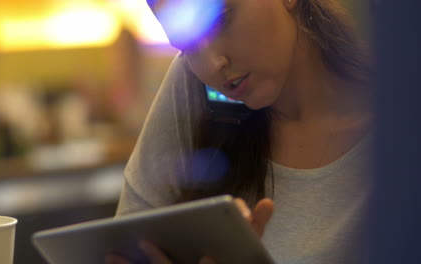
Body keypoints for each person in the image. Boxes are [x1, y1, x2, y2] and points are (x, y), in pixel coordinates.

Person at [107, 0, 373, 263]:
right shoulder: (195, 89)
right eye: (186, 46)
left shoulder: (399, 118)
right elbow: (124, 250)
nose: (212, 64)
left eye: (221, 20)